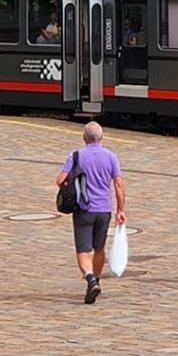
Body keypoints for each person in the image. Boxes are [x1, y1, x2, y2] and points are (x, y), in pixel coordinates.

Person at [55, 122, 126, 305]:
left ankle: (90, 279)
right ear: (101, 137)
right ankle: (97, 279)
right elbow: (118, 185)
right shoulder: (111, 157)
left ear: (84, 138)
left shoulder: (76, 156)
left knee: (83, 250)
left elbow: (60, 180)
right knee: (99, 248)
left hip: (84, 209)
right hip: (104, 210)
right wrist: (121, 210)